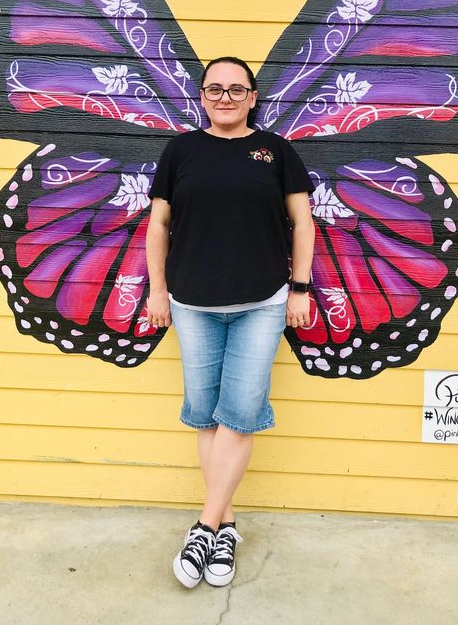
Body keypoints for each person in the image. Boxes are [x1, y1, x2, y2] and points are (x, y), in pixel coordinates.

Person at [146, 56, 315, 588]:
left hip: (261, 302)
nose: (225, 96)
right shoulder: (180, 151)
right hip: (192, 302)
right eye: (215, 88)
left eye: (236, 89)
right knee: (205, 414)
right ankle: (227, 526)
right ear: (201, 95)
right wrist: (157, 289)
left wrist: (301, 287)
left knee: (239, 413)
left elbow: (303, 221)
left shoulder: (276, 151)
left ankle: (202, 527)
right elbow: (158, 224)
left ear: (252, 97)